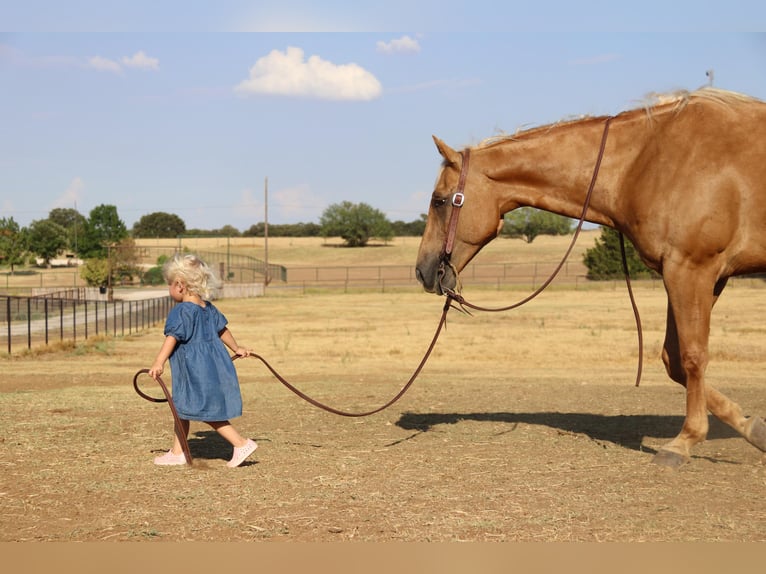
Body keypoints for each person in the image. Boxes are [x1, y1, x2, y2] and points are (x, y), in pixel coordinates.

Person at [148, 253, 257, 468]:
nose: (169, 289)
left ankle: (241, 443)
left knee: (205, 409)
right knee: (181, 407)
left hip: (195, 370)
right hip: (213, 366)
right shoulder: (207, 308)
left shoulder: (182, 311)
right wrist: (237, 348)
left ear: (179, 285)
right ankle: (178, 452)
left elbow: (172, 338)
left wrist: (158, 362)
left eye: (169, 284)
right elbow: (222, 330)